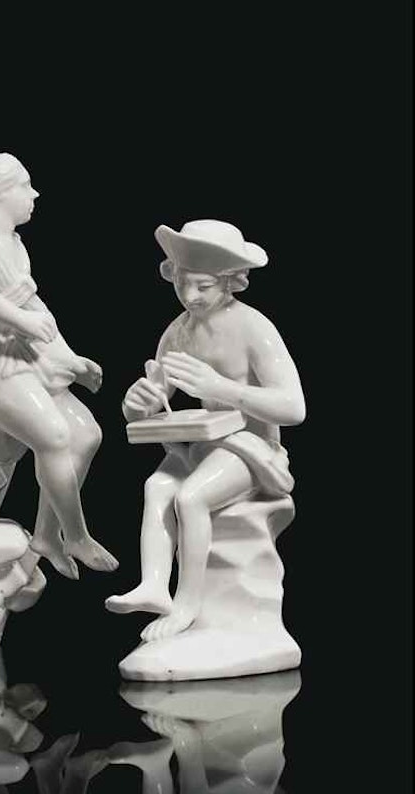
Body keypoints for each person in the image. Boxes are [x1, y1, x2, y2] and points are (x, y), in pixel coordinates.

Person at [105, 220, 305, 641]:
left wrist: (218, 388)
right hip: (203, 445)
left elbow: (293, 407)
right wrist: (136, 403)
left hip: (253, 449)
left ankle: (187, 606)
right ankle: (154, 586)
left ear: (231, 282)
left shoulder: (254, 328)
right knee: (157, 486)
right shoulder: (178, 332)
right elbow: (154, 397)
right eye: (182, 283)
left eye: (203, 286)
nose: (190, 295)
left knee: (191, 497)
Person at [0, 154, 117, 577]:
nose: (34, 194)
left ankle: (47, 535)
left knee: (87, 434)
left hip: (21, 355)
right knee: (54, 435)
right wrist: (17, 319)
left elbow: (35, 306)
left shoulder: (11, 244)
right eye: (24, 186)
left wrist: (70, 357)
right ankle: (77, 535)